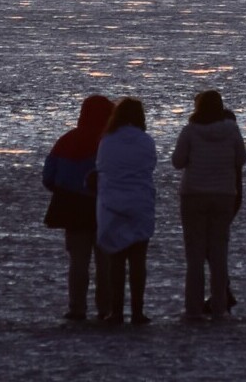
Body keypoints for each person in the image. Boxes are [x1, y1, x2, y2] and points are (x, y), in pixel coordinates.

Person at [171, 90, 246, 322]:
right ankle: (219, 305)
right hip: (224, 194)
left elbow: (177, 162)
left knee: (194, 256)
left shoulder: (190, 131)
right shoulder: (232, 130)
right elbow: (241, 159)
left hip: (194, 194)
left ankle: (193, 307)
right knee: (219, 252)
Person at [42, 95, 114, 321]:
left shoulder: (66, 140)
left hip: (72, 207)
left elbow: (48, 177)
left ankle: (77, 308)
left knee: (78, 262)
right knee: (106, 262)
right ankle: (106, 308)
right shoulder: (109, 142)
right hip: (104, 207)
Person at [96, 97, 157, 325]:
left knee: (116, 261)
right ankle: (138, 311)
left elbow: (102, 167)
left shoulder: (107, 141)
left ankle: (117, 311)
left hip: (113, 204)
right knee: (138, 261)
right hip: (140, 203)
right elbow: (150, 166)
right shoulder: (146, 141)